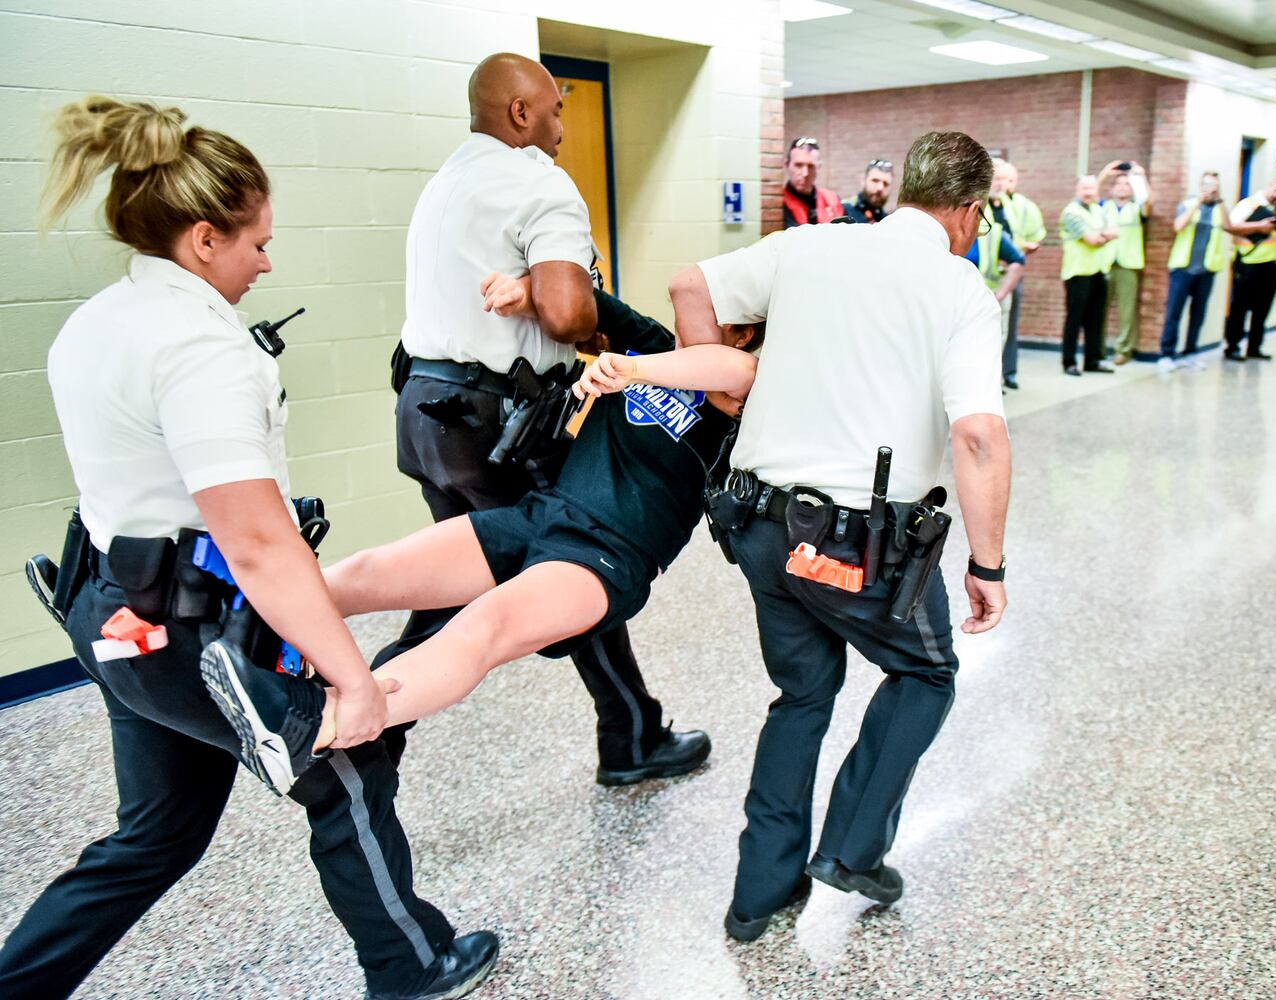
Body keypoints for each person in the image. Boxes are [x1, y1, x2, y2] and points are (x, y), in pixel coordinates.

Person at [0, 96, 496, 1000]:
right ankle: (412, 967)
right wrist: (350, 677)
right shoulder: (197, 345)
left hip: (112, 613)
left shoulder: (98, 322)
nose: (266, 262)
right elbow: (259, 544)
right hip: (185, 630)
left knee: (154, 835)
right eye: (256, 243)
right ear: (200, 240)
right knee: (345, 766)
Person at [197, 282, 761, 803]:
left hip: (604, 557)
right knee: (371, 571)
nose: (685, 321)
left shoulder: (737, 404)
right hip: (543, 515)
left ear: (743, 330)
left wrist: (632, 371)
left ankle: (309, 727)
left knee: (480, 629)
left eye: (705, 315)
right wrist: (527, 290)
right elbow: (589, 301)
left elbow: (733, 368)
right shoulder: (653, 344)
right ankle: (225, 643)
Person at [669, 130, 1011, 942]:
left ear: (902, 192)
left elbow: (690, 284)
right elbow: (978, 439)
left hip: (754, 523)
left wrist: (722, 390)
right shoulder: (960, 286)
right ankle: (853, 853)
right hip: (856, 543)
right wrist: (988, 565)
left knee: (803, 694)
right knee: (926, 673)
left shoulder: (807, 246)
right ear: (969, 210)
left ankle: (759, 892)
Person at [386, 51, 709, 786]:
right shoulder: (539, 183)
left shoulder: (445, 183)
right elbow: (569, 314)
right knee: (571, 562)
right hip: (495, 424)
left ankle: (369, 710)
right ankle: (361, 730)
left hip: (424, 414)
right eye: (556, 110)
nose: (563, 125)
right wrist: (547, 293)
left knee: (467, 578)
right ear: (522, 113)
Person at [1158, 171, 1251, 372]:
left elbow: (1229, 227)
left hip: (1206, 271)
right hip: (1182, 269)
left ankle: (1191, 352)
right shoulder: (1188, 204)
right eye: (1207, 185)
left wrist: (1221, 202)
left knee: (1198, 315)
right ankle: (1166, 354)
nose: (1211, 189)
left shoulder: (1219, 209)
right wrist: (1198, 202)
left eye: (1215, 185)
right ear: (1200, 186)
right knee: (1174, 312)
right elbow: (1178, 226)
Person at [992, 160, 1046, 390]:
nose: (1001, 184)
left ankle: (1008, 372)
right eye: (997, 178)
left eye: (1006, 179)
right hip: (987, 274)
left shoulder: (1015, 205)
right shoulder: (980, 204)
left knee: (1008, 326)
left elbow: (1016, 235)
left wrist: (1018, 249)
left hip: (1010, 272)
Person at [1224, 177, 1276, 361]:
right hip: (1249, 263)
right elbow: (1230, 226)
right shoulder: (1249, 204)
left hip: (1273, 264)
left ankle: (1254, 347)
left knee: (1262, 310)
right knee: (1240, 308)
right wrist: (1259, 227)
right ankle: (1233, 346)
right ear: (1269, 185)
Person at [1058, 174, 1118, 376]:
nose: (1088, 192)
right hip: (1077, 273)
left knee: (1096, 319)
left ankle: (1093, 360)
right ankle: (1069, 362)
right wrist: (1104, 235)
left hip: (1098, 271)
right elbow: (1092, 239)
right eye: (1085, 188)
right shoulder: (1071, 212)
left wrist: (1104, 235)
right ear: (1077, 189)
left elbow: (1113, 231)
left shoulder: (1097, 209)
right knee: (1074, 320)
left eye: (1092, 188)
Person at [1096, 161, 1152, 365]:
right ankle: (1098, 349)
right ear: (1111, 189)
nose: (1122, 187)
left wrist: (1141, 176)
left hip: (1128, 265)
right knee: (1099, 309)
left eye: (1126, 184)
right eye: (1118, 184)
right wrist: (1105, 173)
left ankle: (1123, 350)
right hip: (1105, 263)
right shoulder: (1103, 206)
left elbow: (1148, 200)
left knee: (1126, 311)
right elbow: (1092, 191)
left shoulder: (1137, 208)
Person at [965, 211, 1027, 383]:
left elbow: (1018, 261)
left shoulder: (994, 234)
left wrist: (1000, 293)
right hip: (960, 303)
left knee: (990, 346)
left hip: (987, 301)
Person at [783, 136, 845, 227]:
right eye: (798, 165)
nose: (805, 173)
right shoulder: (777, 204)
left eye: (811, 166)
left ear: (818, 167)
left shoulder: (833, 199)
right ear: (787, 165)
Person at [841, 158, 893, 223]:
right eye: (875, 180)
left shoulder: (887, 220)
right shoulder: (843, 210)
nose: (880, 188)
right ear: (863, 181)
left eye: (886, 184)